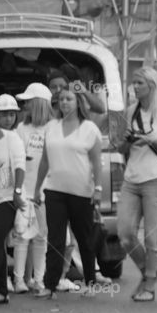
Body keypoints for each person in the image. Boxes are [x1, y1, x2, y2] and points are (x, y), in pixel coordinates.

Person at [116, 67, 157, 302]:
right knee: (124, 233)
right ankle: (147, 272)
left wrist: (153, 140)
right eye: (134, 83)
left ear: (152, 86)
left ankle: (150, 285)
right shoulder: (130, 111)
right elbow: (121, 149)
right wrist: (125, 142)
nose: (135, 87)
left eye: (139, 83)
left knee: (152, 238)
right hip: (132, 178)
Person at [32, 87, 104, 300]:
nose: (64, 103)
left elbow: (97, 163)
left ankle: (89, 283)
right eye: (61, 99)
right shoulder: (51, 127)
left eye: (69, 99)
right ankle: (50, 285)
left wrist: (98, 189)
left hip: (82, 192)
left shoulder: (89, 128)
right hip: (54, 190)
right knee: (55, 239)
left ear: (78, 102)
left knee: (84, 239)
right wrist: (36, 188)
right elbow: (45, 160)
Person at [13, 84, 53, 294]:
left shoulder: (54, 128)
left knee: (41, 236)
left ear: (38, 104)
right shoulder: (21, 128)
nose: (25, 105)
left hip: (45, 192)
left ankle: (39, 280)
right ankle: (19, 280)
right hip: (25, 190)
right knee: (22, 235)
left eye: (29, 101)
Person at [0, 97, 25, 304]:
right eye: (4, 114)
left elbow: (19, 166)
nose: (7, 118)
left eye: (11, 114)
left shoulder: (11, 138)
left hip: (6, 198)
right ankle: (2, 291)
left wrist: (17, 191)